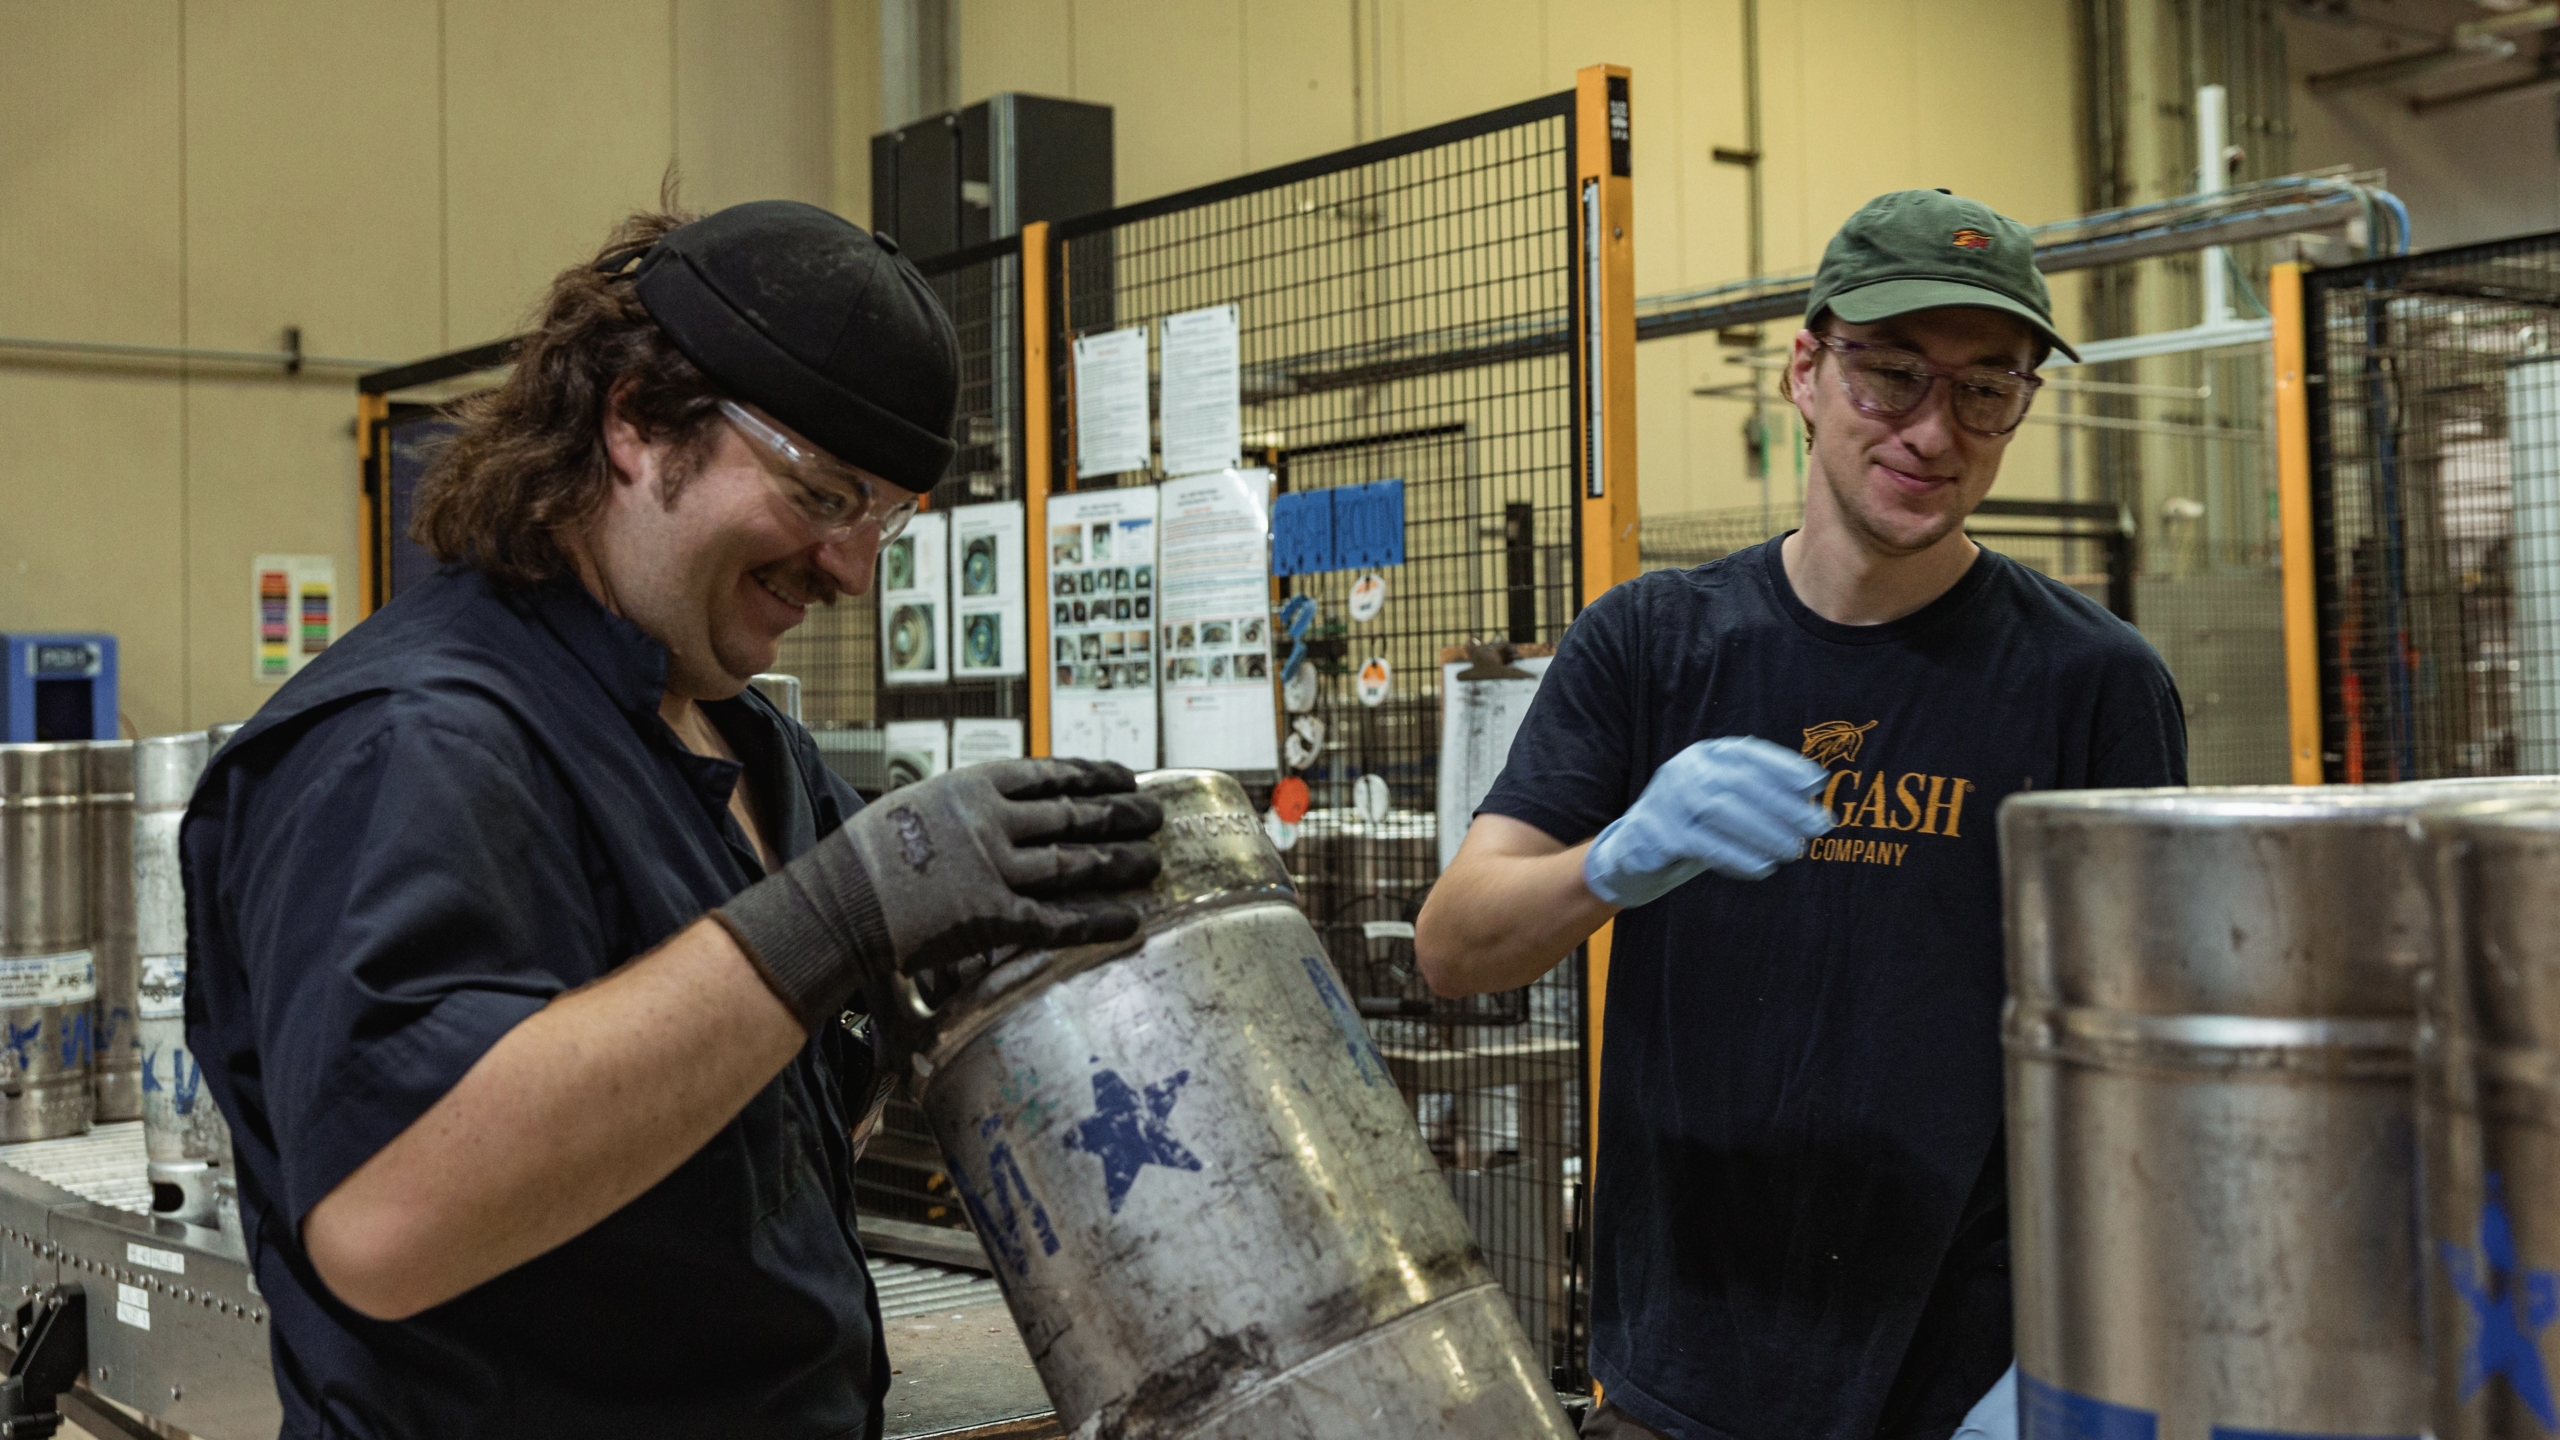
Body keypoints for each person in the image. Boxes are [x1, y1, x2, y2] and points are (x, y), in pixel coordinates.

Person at [181, 200, 1163, 1439]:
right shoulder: (414, 741)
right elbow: (390, 1221)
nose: (854, 570)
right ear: (639, 418)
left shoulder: (746, 741)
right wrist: (844, 909)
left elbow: (750, 1124)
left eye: (884, 516)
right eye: (819, 489)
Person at [1414, 189, 2186, 1440]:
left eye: (1985, 391)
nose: (1935, 432)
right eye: (1891, 377)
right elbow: (1453, 946)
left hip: (1956, 1388)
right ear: (1806, 373)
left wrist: (2065, 1369)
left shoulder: (2091, 685)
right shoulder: (1652, 645)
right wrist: (1613, 861)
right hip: (1678, 1378)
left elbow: (2147, 1069)